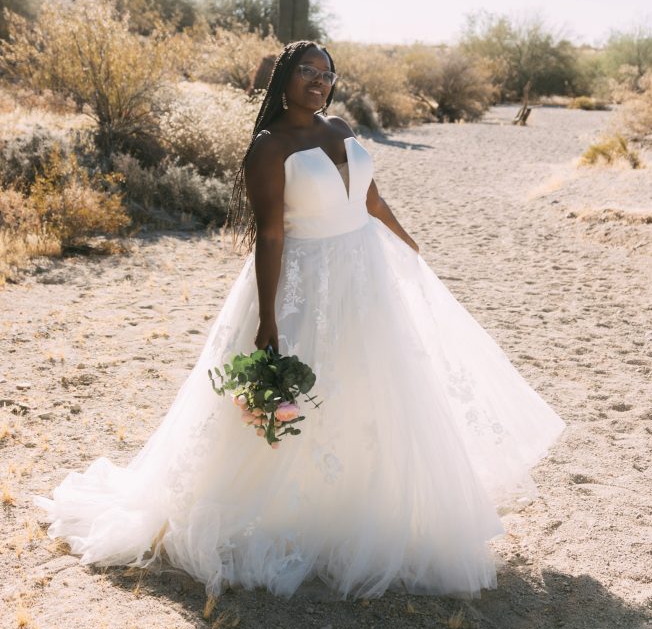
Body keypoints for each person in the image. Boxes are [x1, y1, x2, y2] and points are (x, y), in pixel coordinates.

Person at [35, 39, 566, 600]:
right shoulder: (270, 146)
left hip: (367, 273)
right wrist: (267, 318)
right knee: (304, 396)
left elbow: (371, 200)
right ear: (284, 78)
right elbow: (270, 233)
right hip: (306, 282)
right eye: (307, 71)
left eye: (327, 73)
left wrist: (408, 244)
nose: (319, 80)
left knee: (374, 386)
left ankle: (364, 506)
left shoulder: (339, 128)